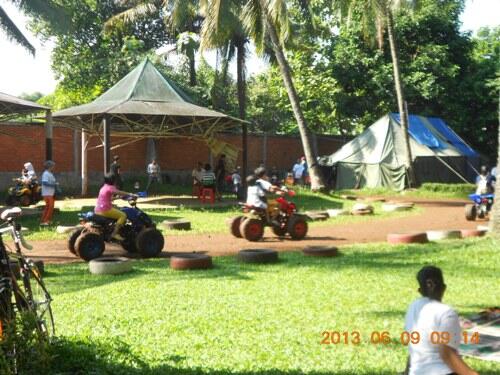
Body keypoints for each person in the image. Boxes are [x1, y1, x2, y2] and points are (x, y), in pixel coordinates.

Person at [403, 266, 478, 375]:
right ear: (444, 288)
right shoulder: (447, 313)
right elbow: (447, 354)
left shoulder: (413, 307)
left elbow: (414, 347)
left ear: (420, 291)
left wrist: (407, 372)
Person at [95, 173, 137, 241]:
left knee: (117, 211)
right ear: (113, 180)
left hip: (98, 209)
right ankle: (115, 233)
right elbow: (119, 192)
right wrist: (131, 194)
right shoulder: (111, 187)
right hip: (105, 209)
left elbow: (108, 198)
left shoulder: (103, 187)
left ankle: (113, 229)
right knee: (123, 215)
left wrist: (118, 198)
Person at [40, 160, 58, 226]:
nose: (54, 167)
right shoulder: (46, 174)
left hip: (50, 193)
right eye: (53, 166)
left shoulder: (50, 174)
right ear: (50, 166)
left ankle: (47, 220)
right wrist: (53, 185)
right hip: (47, 193)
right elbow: (44, 183)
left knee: (50, 207)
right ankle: (45, 221)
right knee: (49, 207)